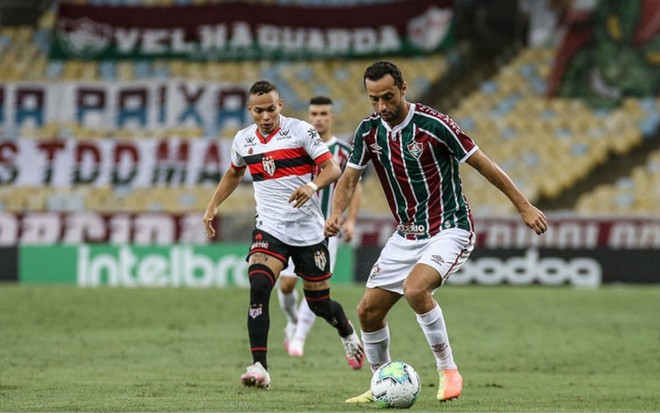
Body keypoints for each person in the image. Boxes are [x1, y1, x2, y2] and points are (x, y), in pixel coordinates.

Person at [324, 61, 548, 403]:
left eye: (387, 97)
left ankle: (448, 370)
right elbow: (350, 178)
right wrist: (337, 214)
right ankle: (381, 382)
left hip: (450, 227)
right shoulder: (369, 132)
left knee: (415, 289)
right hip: (407, 234)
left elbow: (483, 163)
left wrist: (524, 206)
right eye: (374, 99)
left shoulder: (435, 125)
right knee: (368, 312)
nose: (382, 106)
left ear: (403, 88)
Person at [203, 80, 364, 389]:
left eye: (271, 109)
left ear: (280, 106)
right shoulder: (243, 140)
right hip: (270, 228)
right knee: (259, 285)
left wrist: (312, 186)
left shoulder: (300, 131)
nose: (266, 116)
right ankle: (259, 366)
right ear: (250, 110)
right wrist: (212, 204)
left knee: (319, 304)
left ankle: (346, 331)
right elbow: (235, 173)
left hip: (307, 231)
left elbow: (332, 169)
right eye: (259, 111)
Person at [277, 96, 363, 361]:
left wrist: (349, 221)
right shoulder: (298, 146)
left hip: (326, 232)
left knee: (315, 290)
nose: (319, 118)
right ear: (309, 116)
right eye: (314, 113)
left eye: (324, 113)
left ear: (331, 117)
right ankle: (292, 321)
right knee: (287, 286)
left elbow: (354, 186)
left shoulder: (343, 151)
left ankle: (299, 339)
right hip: (294, 229)